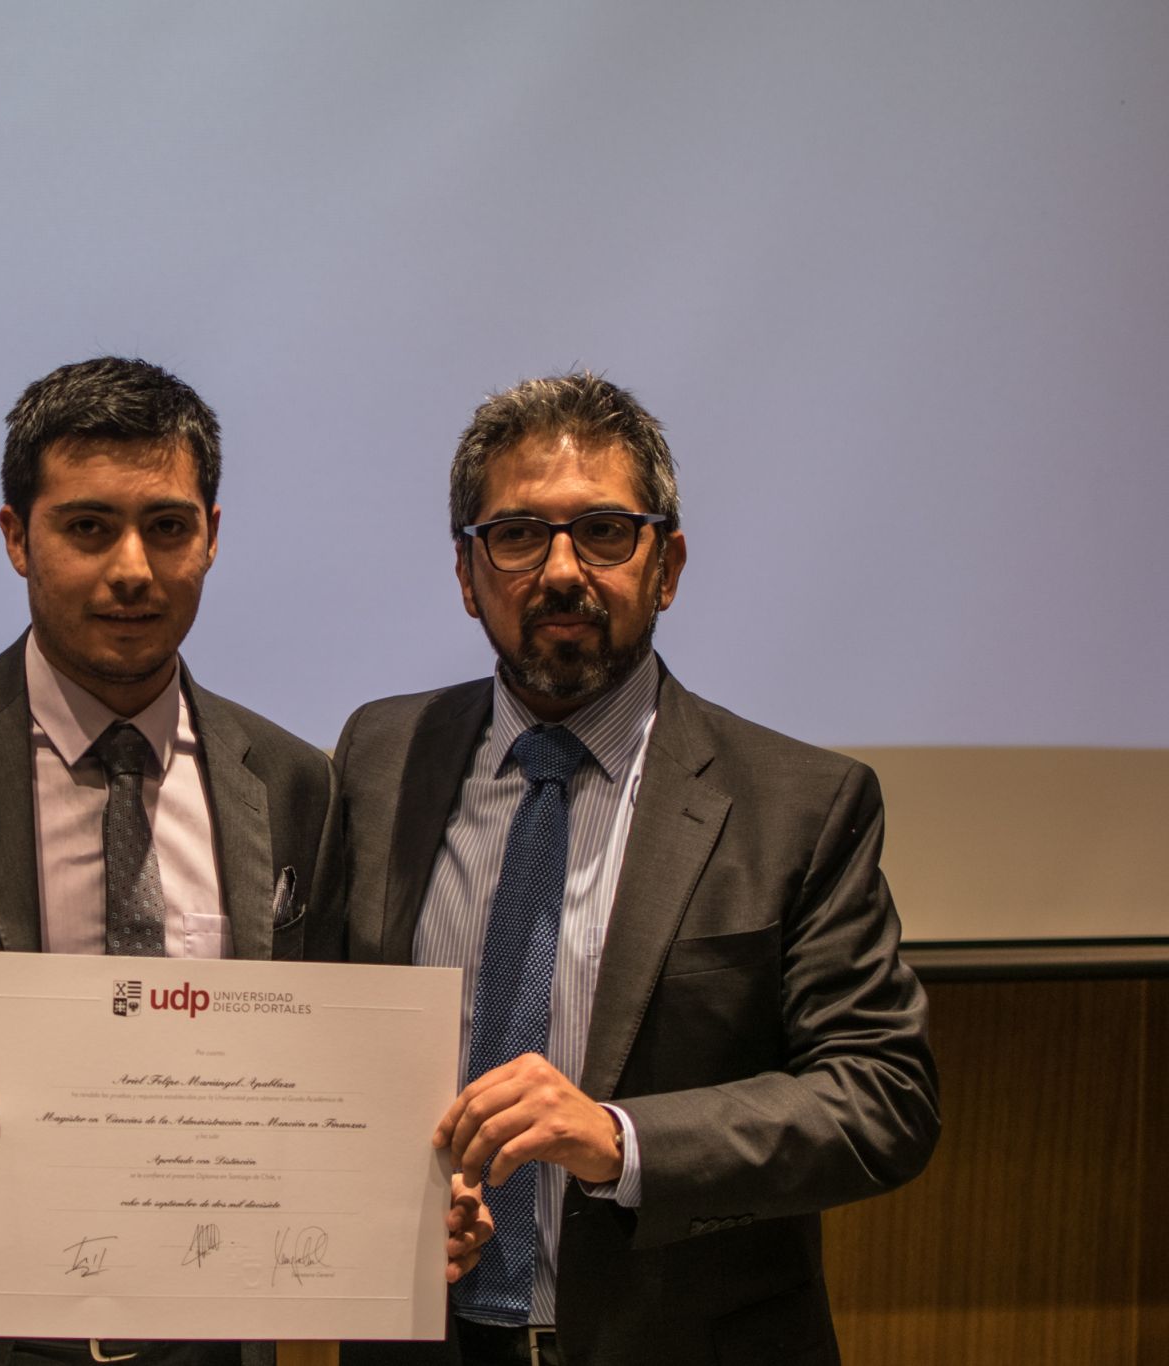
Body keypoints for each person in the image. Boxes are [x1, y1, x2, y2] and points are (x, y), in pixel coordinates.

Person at [0, 357, 481, 1366]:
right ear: (17, 537)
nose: (132, 569)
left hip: (206, 1341)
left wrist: (400, 1202)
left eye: (167, 526)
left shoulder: (291, 782)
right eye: (88, 527)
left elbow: (322, 1072)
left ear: (212, 535)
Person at [332, 373, 940, 1366]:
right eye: (516, 535)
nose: (560, 570)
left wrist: (621, 1140)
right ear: (467, 573)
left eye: (605, 532)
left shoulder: (798, 804)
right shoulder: (377, 757)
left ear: (667, 566)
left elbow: (881, 1098)